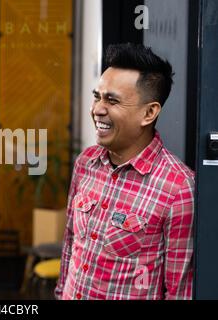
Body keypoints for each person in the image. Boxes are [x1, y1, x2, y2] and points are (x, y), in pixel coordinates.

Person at [55, 43, 194, 300]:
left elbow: (179, 290)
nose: (97, 109)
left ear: (149, 112)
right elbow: (71, 245)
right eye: (97, 96)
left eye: (112, 100)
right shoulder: (86, 163)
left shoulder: (178, 187)